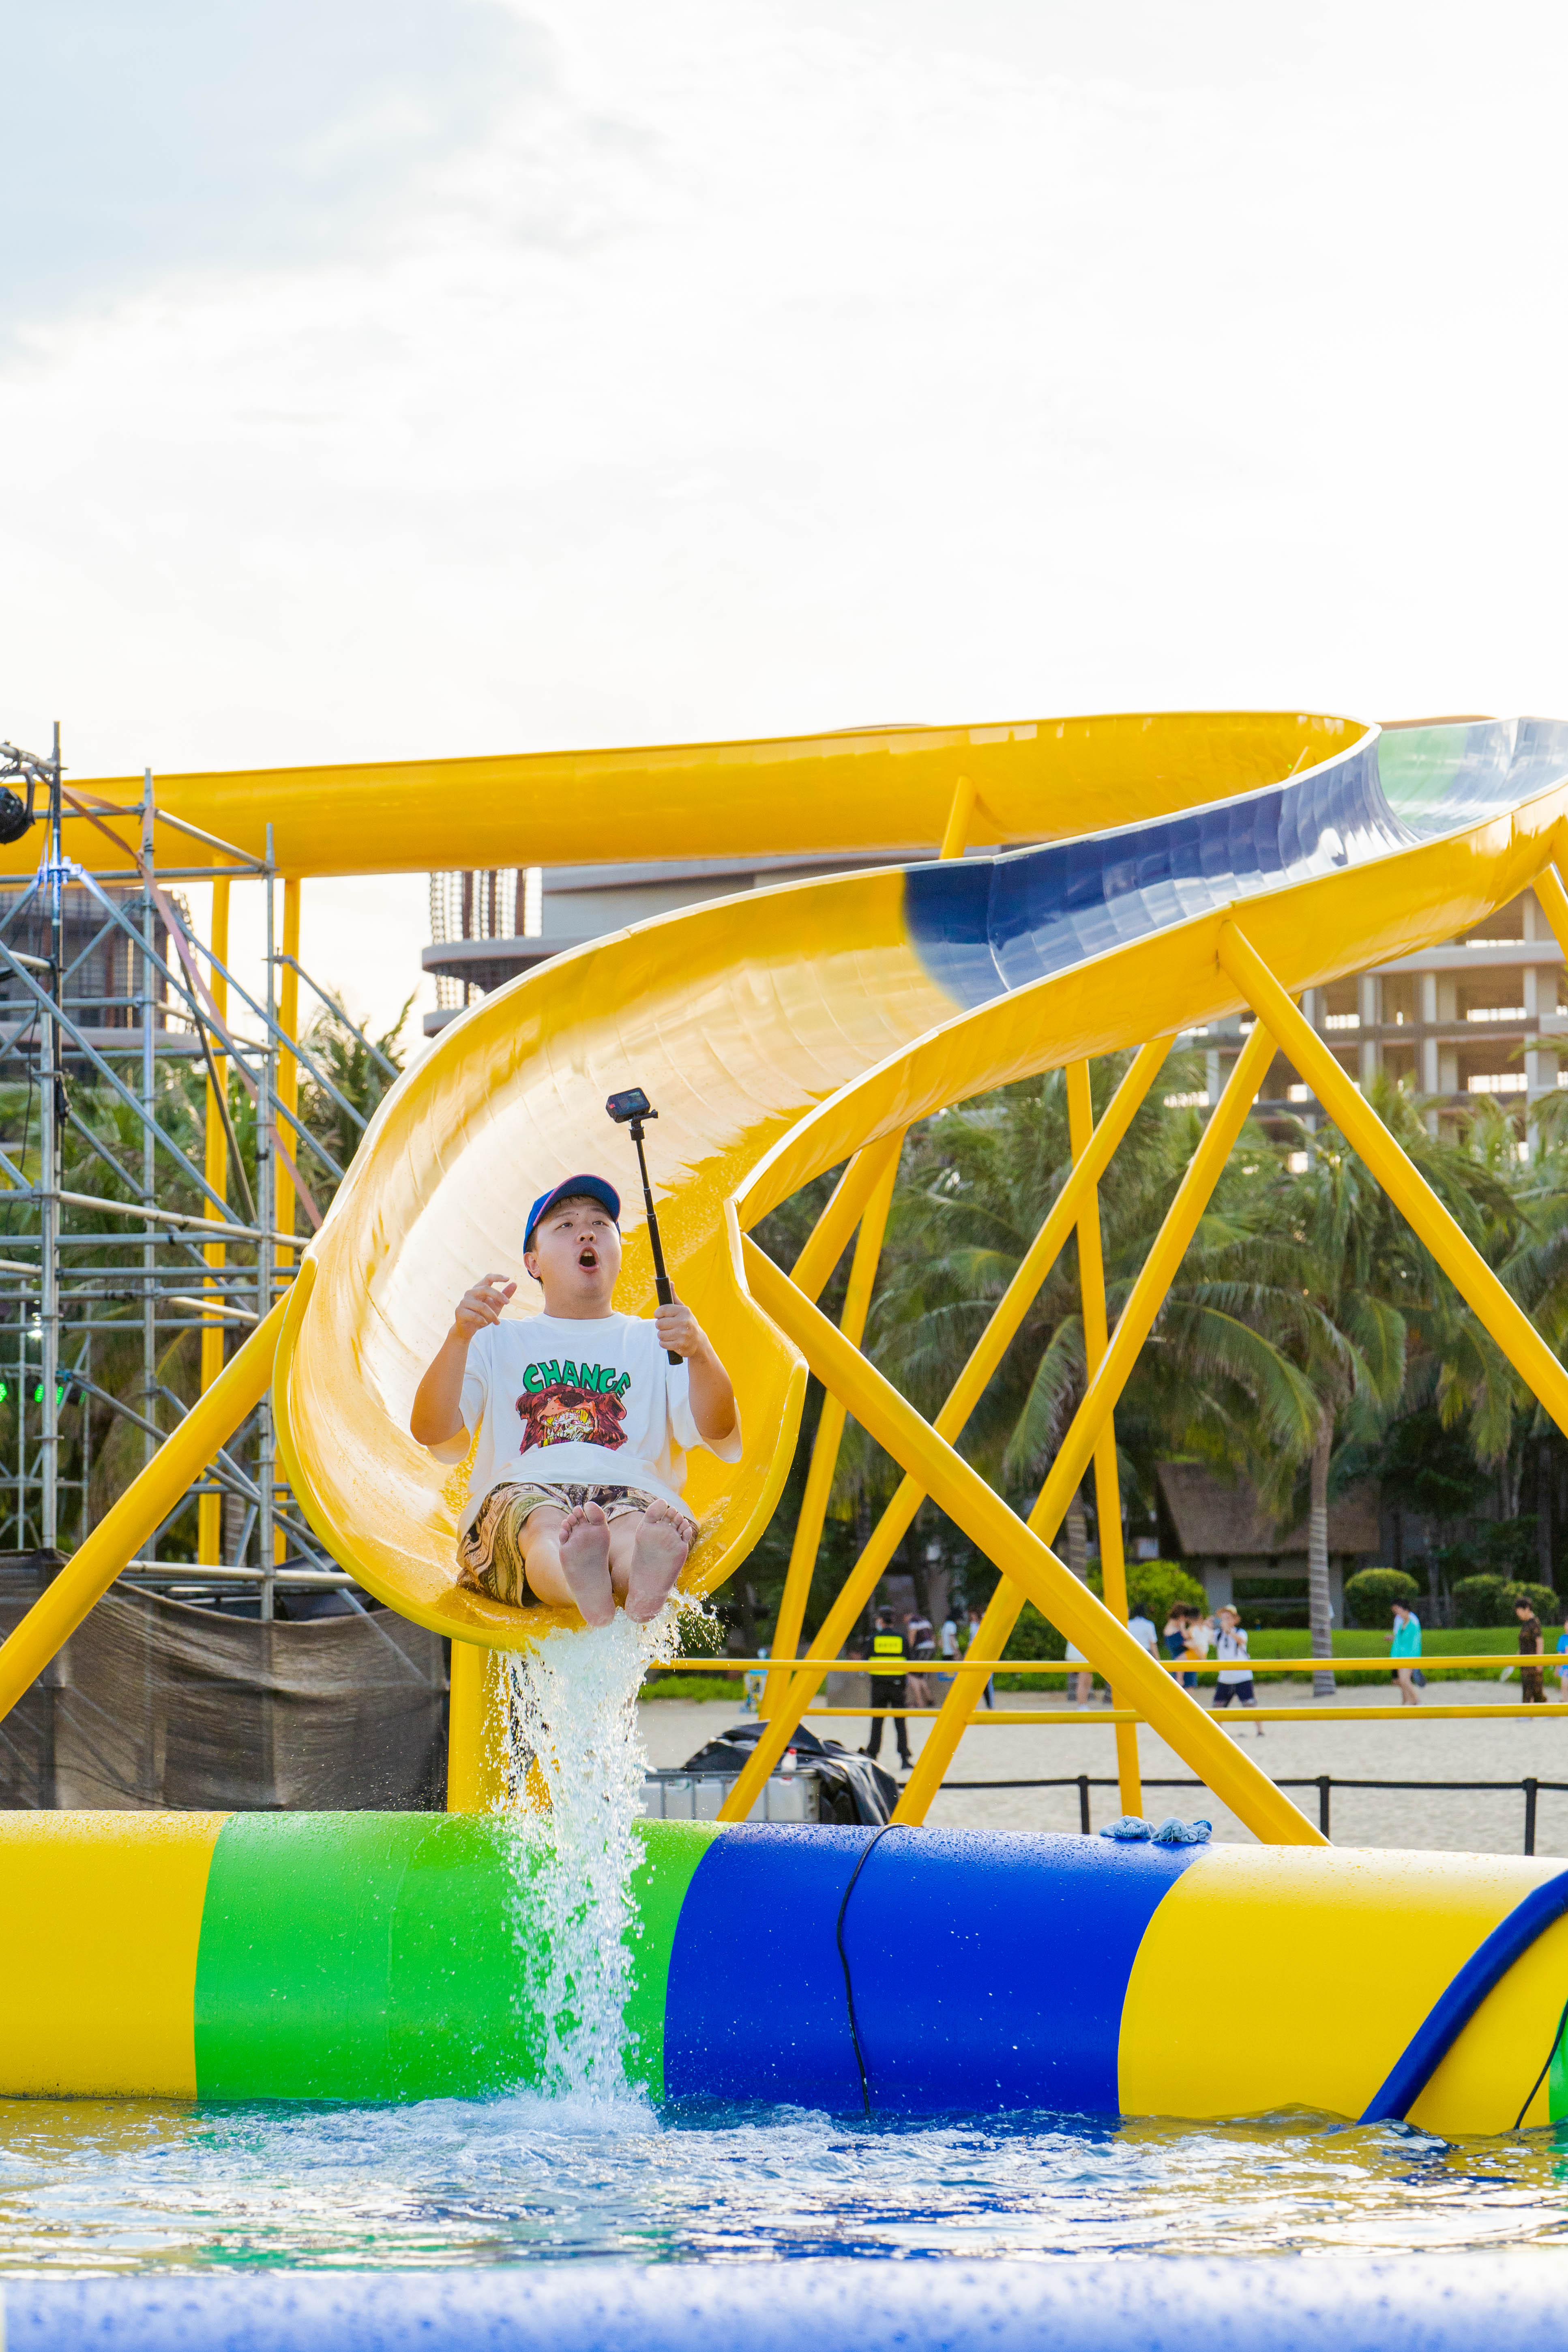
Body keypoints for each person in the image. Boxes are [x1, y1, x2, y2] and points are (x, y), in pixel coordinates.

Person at [409, 1176, 742, 1624]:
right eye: (565, 1225)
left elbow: (718, 1426)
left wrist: (699, 1350)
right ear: (533, 1262)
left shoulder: (659, 1338)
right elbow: (431, 1429)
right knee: (543, 1524)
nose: (586, 1233)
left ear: (619, 1253)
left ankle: (639, 1575)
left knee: (634, 1527)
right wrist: (458, 1336)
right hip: (525, 1487)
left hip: (632, 1488)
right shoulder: (495, 1338)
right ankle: (578, 1582)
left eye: (601, 1224)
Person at [862, 1606, 912, 1770]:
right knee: (900, 1723)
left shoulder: (873, 1639)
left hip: (879, 1686)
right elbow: (910, 1660)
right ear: (893, 1620)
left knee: (877, 1722)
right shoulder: (902, 1639)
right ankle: (904, 1758)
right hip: (898, 1686)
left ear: (881, 1621)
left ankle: (873, 1754)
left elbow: (865, 1660)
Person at [1212, 1605, 1263, 1735]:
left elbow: (1241, 1641)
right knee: (1217, 1706)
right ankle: (1218, 1733)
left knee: (1250, 1705)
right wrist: (1203, 1626)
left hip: (1242, 1676)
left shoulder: (1240, 1632)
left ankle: (1260, 1731)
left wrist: (1229, 1631)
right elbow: (1204, 1639)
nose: (1225, 1621)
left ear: (1235, 1620)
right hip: (1225, 1678)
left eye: (1228, 1618)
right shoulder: (1218, 1635)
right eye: (1223, 1618)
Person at [1389, 1600, 1422, 1706]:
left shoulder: (1413, 1624)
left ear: (1405, 1610)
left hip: (1409, 1656)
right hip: (1400, 1656)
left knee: (1405, 1680)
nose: (1397, 1613)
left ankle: (1417, 1701)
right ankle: (1406, 1702)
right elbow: (1399, 1641)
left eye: (1398, 1610)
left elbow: (1416, 1643)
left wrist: (1414, 1658)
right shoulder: (1401, 1624)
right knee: (1401, 1681)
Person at [1515, 1597, 1546, 1706]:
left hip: (1533, 1664)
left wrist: (1539, 1662)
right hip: (1525, 1664)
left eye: (1519, 1611)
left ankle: (1549, 1711)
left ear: (1527, 1609)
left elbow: (1540, 1642)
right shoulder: (1526, 1624)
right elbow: (1525, 1644)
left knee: (1536, 1691)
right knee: (1529, 1690)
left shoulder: (1534, 1623)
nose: (1518, 1614)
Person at [964, 1604, 995, 1709]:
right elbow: (972, 1642)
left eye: (973, 1615)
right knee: (977, 1680)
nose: (972, 1617)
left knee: (987, 1680)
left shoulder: (985, 1621)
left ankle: (990, 1705)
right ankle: (978, 1705)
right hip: (977, 1655)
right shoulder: (974, 1625)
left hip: (986, 1654)